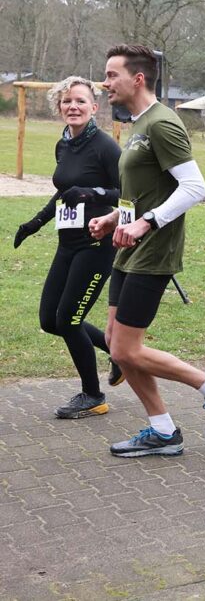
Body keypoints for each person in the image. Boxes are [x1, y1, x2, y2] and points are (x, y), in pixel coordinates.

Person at [88, 44, 205, 457]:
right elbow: (140, 194)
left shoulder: (162, 124)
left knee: (126, 349)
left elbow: (195, 188)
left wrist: (145, 223)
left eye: (111, 75)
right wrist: (115, 221)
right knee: (115, 341)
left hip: (154, 251)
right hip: (129, 247)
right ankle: (163, 430)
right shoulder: (139, 124)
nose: (105, 83)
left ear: (137, 78)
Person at [14, 76, 122, 418]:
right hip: (68, 244)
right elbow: (65, 192)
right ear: (59, 107)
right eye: (66, 102)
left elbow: (129, 193)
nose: (72, 106)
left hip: (98, 243)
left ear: (94, 106)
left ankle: (93, 396)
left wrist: (95, 194)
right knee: (50, 319)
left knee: (69, 319)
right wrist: (36, 223)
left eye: (79, 101)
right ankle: (120, 354)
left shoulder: (106, 146)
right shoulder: (64, 144)